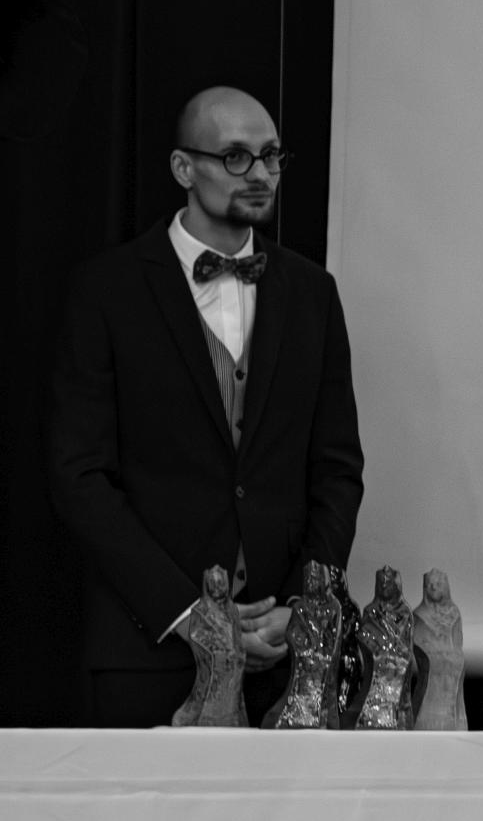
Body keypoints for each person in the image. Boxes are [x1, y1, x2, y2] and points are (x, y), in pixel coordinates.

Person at [46, 86, 363, 727]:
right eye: (236, 157)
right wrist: (188, 614)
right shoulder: (106, 290)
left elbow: (337, 470)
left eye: (271, 156)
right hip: (150, 650)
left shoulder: (312, 293)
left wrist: (301, 607)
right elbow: (79, 476)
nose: (261, 174)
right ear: (183, 168)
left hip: (286, 658)